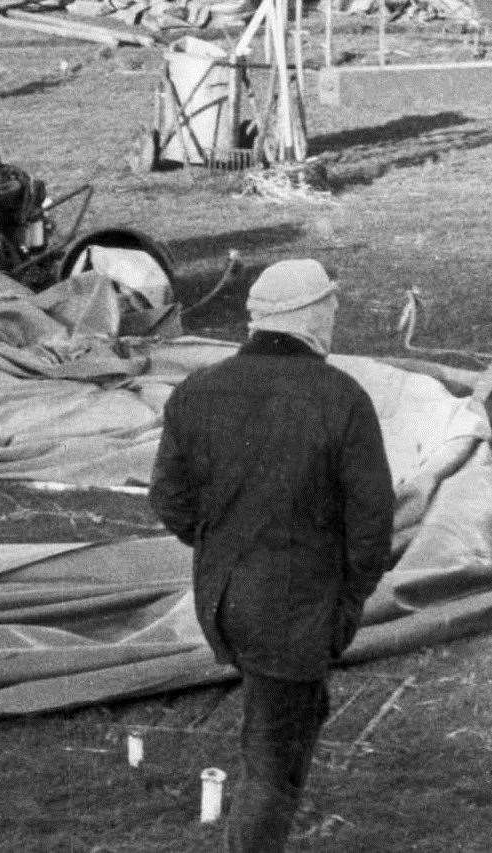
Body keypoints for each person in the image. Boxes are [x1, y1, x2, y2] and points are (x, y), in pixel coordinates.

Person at [149, 259, 394, 852]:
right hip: (296, 611)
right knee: (271, 769)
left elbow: (169, 498)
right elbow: (373, 524)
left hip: (226, 600)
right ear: (308, 314)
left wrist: (222, 547)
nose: (335, 316)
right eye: (331, 305)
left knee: (287, 723)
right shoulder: (342, 398)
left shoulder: (197, 390)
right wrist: (348, 599)